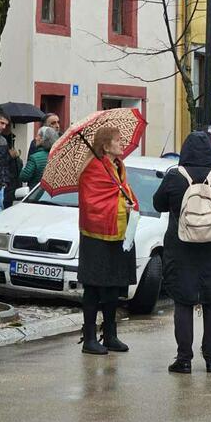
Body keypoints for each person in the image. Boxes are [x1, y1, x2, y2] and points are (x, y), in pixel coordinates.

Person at [154, 131, 211, 374]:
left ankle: (184, 359)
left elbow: (159, 203)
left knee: (183, 303)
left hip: (180, 249)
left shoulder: (174, 176)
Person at [77, 126, 137, 355]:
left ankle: (110, 334)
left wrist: (129, 202)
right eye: (118, 140)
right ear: (105, 146)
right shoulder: (92, 168)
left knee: (113, 287)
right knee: (93, 287)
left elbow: (124, 192)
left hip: (119, 235)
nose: (122, 144)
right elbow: (93, 204)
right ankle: (89, 338)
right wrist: (123, 203)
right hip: (97, 237)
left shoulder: (118, 167)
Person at [21, 126, 57, 190]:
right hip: (51, 192)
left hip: (36, 193)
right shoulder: (57, 156)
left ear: (42, 139)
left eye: (37, 136)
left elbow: (24, 177)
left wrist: (18, 162)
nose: (36, 138)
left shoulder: (34, 158)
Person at [2, 127, 23, 209]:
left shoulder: (12, 150)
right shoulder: (3, 149)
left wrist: (17, 158)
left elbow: (18, 168)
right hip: (7, 185)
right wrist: (10, 157)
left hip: (13, 185)